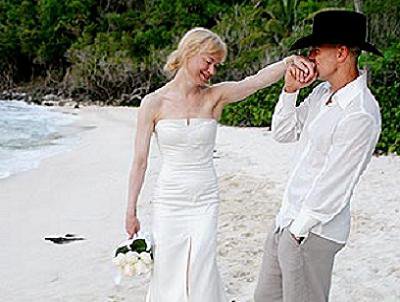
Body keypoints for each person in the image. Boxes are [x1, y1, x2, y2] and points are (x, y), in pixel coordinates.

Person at [124, 27, 314, 302]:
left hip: (205, 198)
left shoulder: (215, 97)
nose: (212, 70)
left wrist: (286, 63)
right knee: (167, 266)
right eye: (208, 61)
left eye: (216, 65)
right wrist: (130, 211)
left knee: (201, 263)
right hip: (169, 199)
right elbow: (139, 162)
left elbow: (255, 82)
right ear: (190, 51)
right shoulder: (153, 103)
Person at [254, 10, 382, 302]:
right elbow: (283, 133)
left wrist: (297, 233)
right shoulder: (321, 93)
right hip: (286, 220)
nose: (310, 56)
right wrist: (290, 91)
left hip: (311, 232)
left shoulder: (360, 113)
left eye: (316, 49)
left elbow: (336, 182)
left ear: (341, 53)